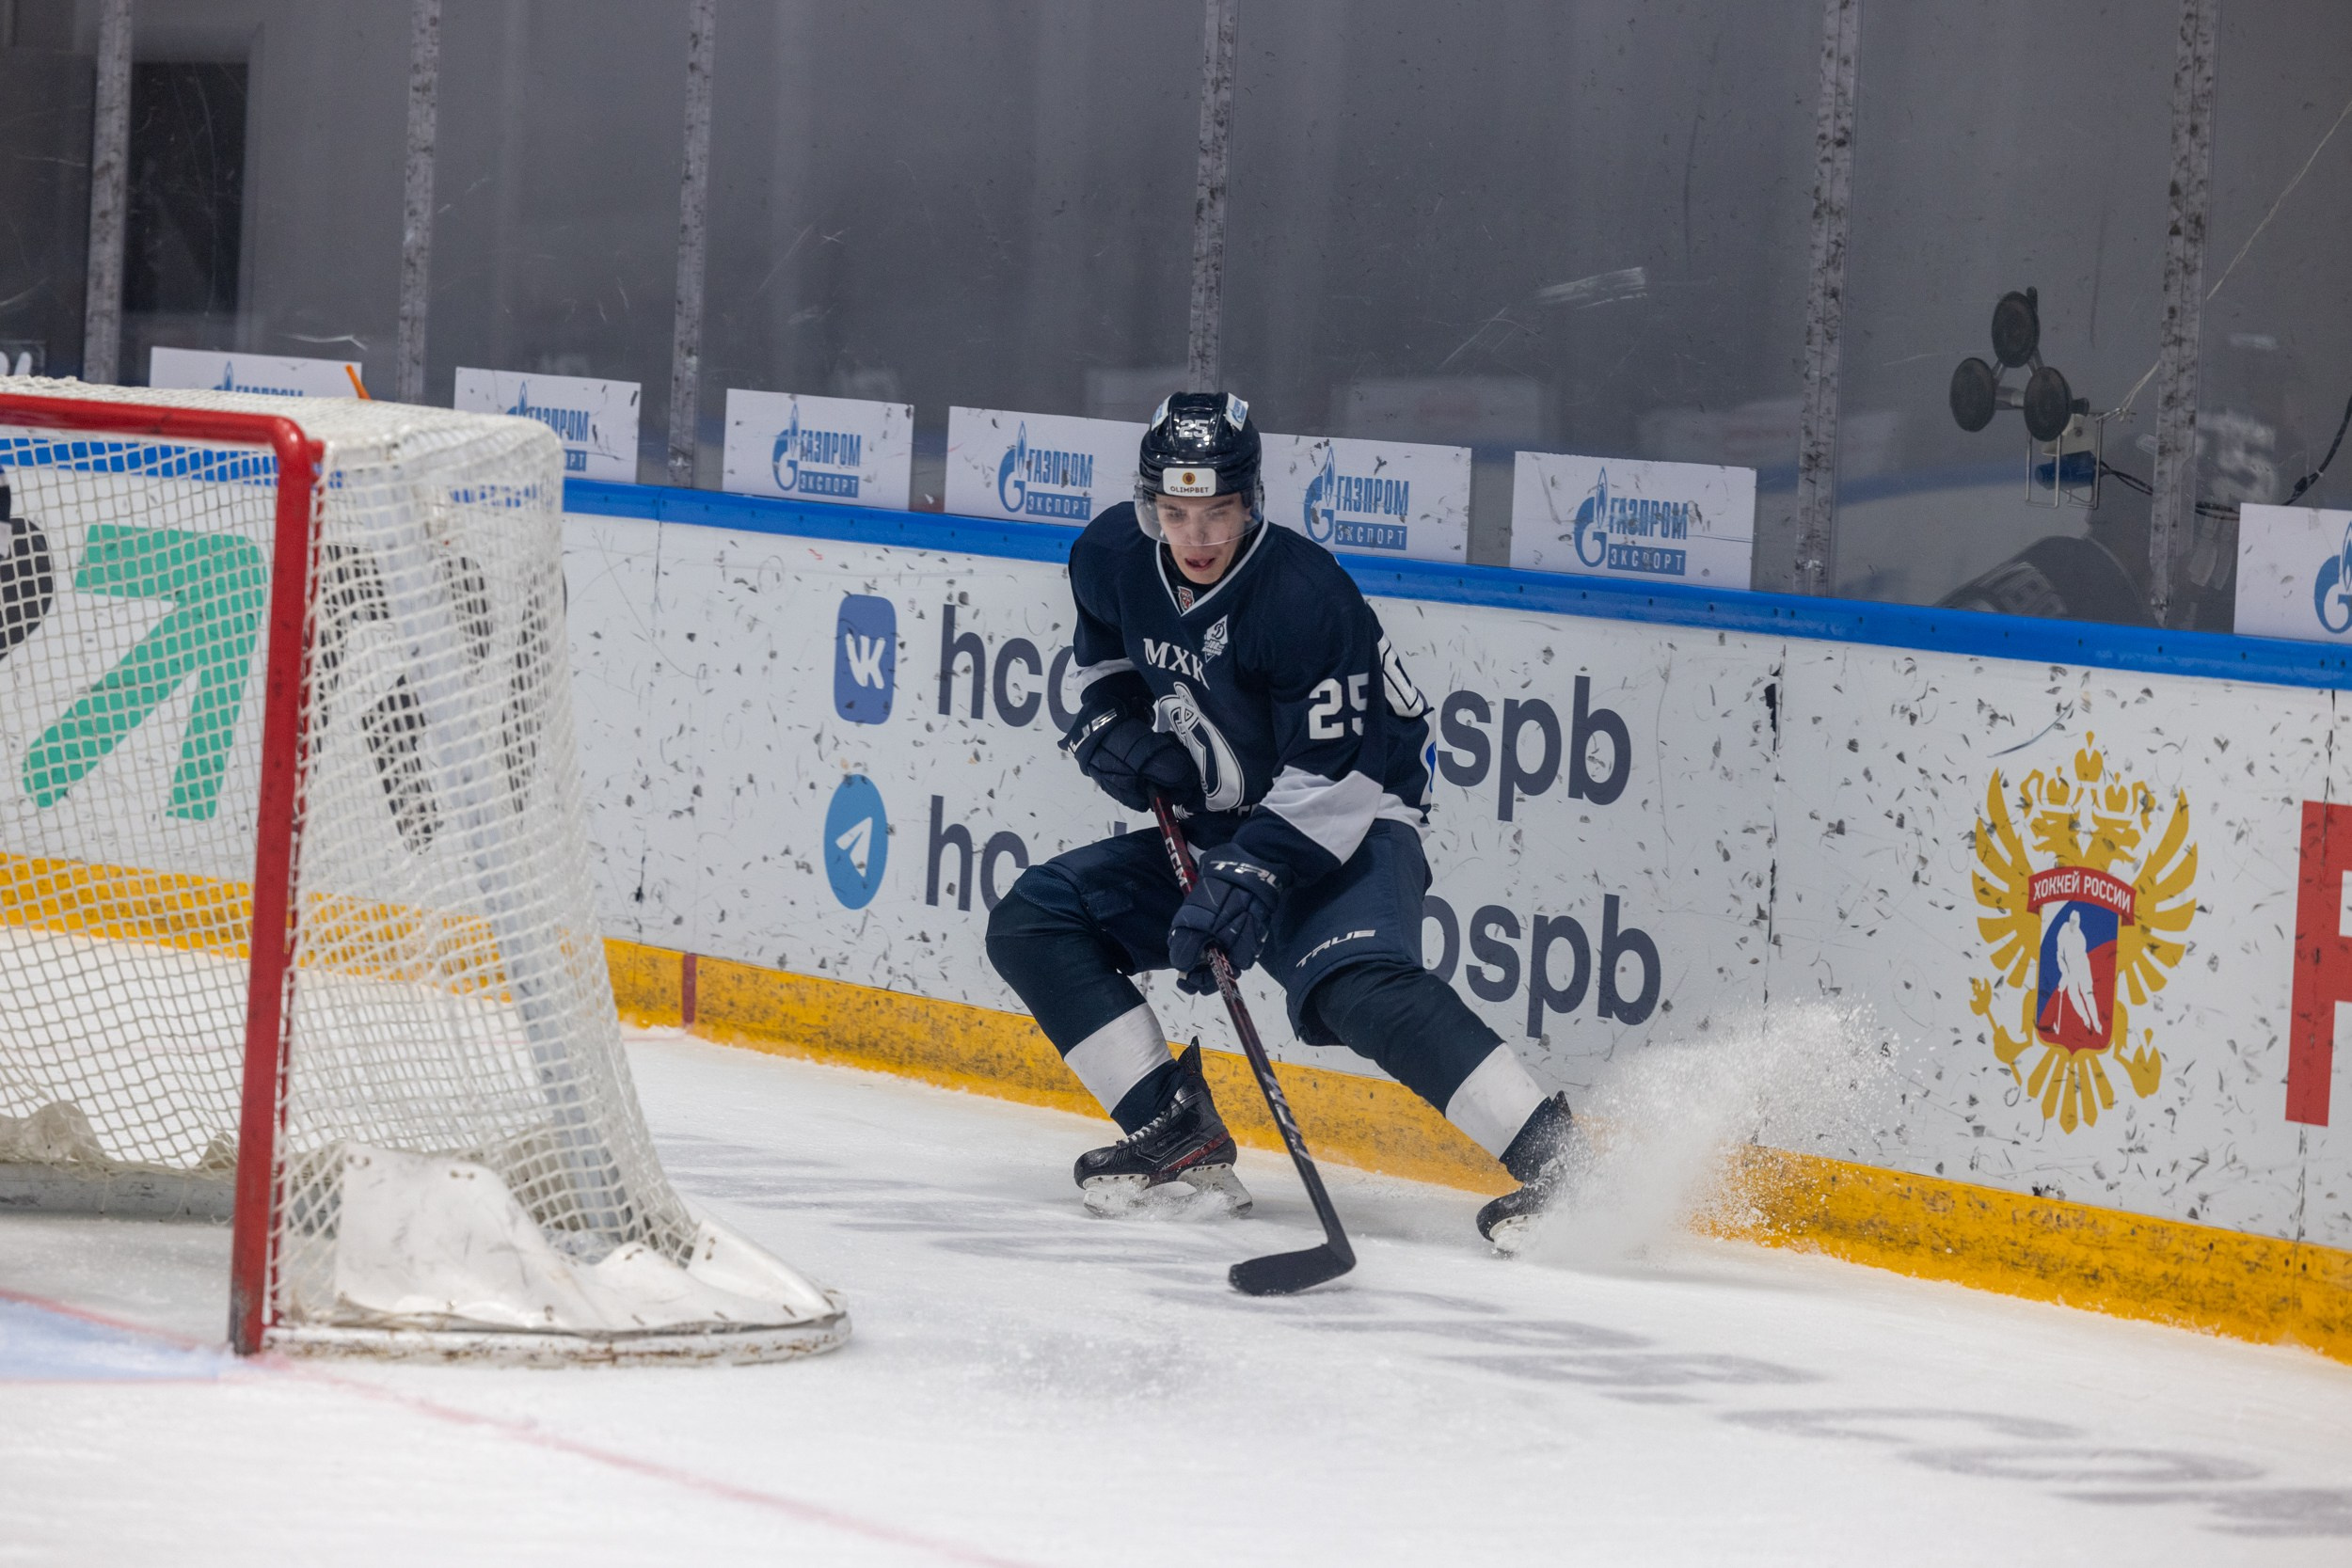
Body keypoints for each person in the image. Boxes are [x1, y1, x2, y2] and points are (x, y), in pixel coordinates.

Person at [983, 391, 1575, 1251]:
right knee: (1038, 918)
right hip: (1232, 823)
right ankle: (1176, 1134)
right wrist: (1114, 729)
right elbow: (1105, 661)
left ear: (1251, 500)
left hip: (1358, 815)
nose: (1198, 538)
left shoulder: (1304, 597)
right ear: (1150, 505)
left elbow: (1335, 782)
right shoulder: (1113, 553)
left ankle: (1565, 1166)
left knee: (1355, 983)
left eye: (1218, 511)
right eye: (1176, 514)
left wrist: (1250, 876)